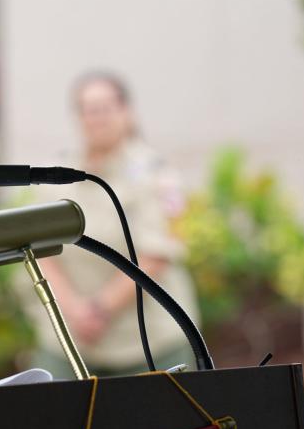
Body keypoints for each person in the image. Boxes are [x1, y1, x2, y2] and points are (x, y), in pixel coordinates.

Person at [20, 70, 201, 379]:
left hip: (149, 342)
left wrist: (99, 310)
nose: (96, 118)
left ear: (126, 112)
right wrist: (75, 311)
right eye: (88, 110)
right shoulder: (56, 174)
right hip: (69, 339)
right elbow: (34, 248)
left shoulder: (158, 174)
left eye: (105, 108)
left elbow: (157, 256)